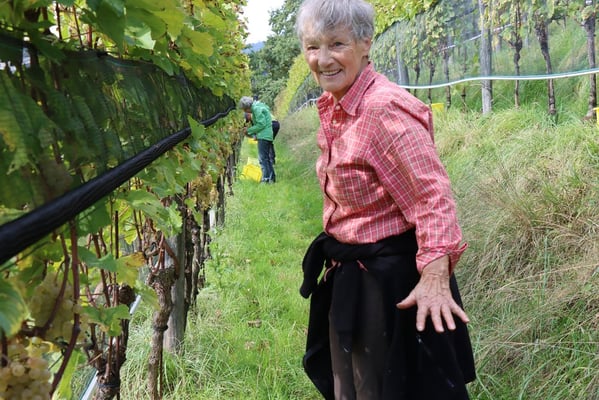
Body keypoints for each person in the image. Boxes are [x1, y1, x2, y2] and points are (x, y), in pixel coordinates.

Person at [295, 1, 476, 399]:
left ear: (365, 43)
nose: (322, 59)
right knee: (358, 387)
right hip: (355, 276)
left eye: (336, 43)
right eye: (312, 46)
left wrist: (434, 279)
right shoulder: (335, 104)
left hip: (388, 287)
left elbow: (432, 196)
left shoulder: (383, 109)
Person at [239, 96, 276, 183]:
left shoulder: (256, 109)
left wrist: (249, 130)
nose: (245, 112)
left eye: (244, 110)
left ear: (247, 107)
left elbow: (261, 124)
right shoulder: (258, 106)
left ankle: (265, 179)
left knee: (263, 159)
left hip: (264, 136)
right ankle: (271, 178)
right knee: (266, 158)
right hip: (267, 135)